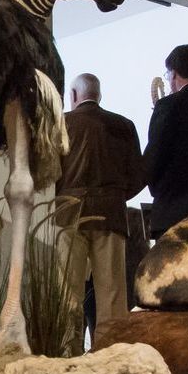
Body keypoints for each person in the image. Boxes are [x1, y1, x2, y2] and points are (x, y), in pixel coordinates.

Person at [56, 73, 142, 349]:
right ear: (99, 95)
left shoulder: (62, 124)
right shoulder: (123, 125)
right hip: (111, 215)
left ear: (73, 95)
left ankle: (68, 351)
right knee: (112, 295)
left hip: (69, 214)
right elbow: (138, 176)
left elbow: (50, 172)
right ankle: (109, 352)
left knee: (68, 293)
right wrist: (116, 196)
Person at [140, 43, 188, 237]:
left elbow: (155, 154)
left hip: (175, 208)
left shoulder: (168, 106)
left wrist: (152, 184)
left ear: (174, 74)